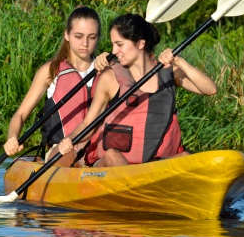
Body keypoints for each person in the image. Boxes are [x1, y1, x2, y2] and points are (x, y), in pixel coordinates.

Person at [57, 13, 217, 167]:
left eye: (119, 44)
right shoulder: (111, 78)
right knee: (112, 155)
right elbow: (88, 124)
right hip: (112, 167)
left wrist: (179, 61)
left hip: (155, 167)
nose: (114, 51)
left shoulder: (168, 72)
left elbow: (210, 89)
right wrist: (70, 140)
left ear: (140, 44)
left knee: (185, 158)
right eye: (113, 44)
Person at [3, 6, 101, 165]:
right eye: (78, 36)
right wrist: (12, 137)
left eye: (92, 37)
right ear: (67, 35)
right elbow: (20, 114)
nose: (85, 43)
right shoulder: (51, 71)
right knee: (68, 156)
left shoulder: (106, 71)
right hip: (60, 150)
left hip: (95, 150)